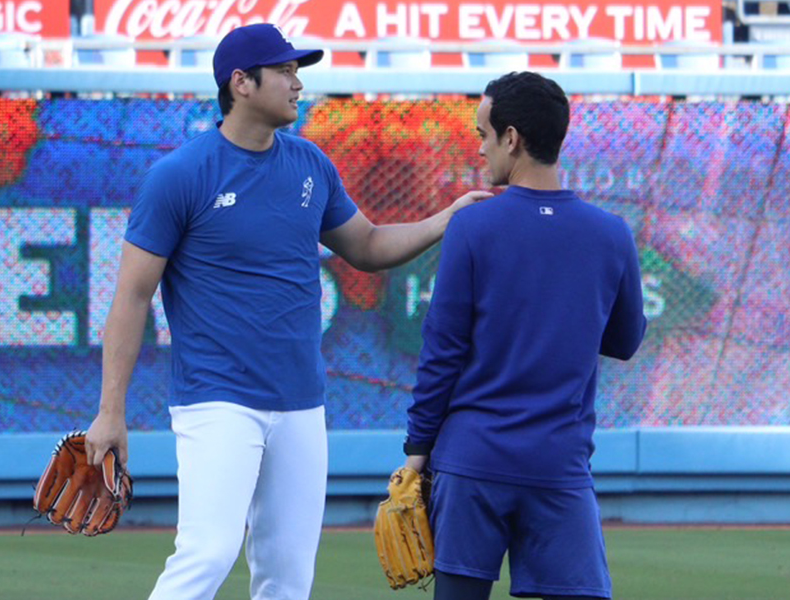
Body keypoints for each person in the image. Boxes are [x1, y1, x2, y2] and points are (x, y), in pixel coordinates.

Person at [84, 23, 489, 600]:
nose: (299, 83)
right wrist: (110, 412)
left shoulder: (309, 163)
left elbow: (368, 246)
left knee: (288, 575)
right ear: (241, 83)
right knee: (208, 552)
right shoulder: (179, 175)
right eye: (286, 71)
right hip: (217, 398)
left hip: (301, 402)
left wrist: (444, 219)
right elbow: (130, 298)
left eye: (298, 71)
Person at [403, 72, 647, 600]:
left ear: (511, 138)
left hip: (473, 462)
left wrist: (416, 450)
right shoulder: (611, 233)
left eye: (483, 133)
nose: (480, 145)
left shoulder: (471, 226)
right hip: (557, 464)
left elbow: (442, 352)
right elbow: (626, 341)